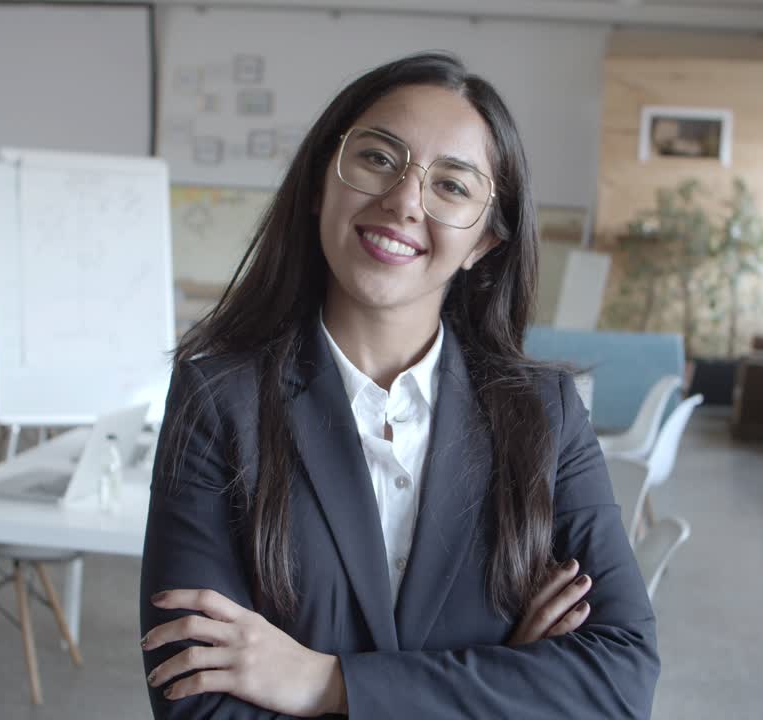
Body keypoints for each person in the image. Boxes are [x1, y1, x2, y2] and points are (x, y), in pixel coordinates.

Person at [139, 51, 658, 718]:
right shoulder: (217, 400)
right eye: (379, 159)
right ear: (322, 180)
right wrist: (510, 678)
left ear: (485, 242)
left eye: (452, 186)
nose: (403, 202)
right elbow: (198, 705)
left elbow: (621, 681)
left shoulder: (544, 414)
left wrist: (328, 685)